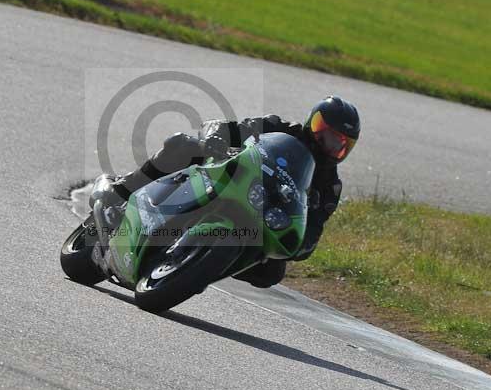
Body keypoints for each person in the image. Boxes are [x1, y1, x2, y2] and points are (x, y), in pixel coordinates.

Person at [101, 95, 360, 289]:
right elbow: (227, 127)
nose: (329, 144)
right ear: (311, 122)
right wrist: (217, 138)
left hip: (259, 218)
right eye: (323, 133)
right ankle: (121, 191)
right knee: (182, 144)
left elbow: (312, 231)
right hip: (225, 175)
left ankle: (202, 267)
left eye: (339, 144)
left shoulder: (329, 188)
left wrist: (302, 244)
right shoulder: (278, 127)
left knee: (271, 273)